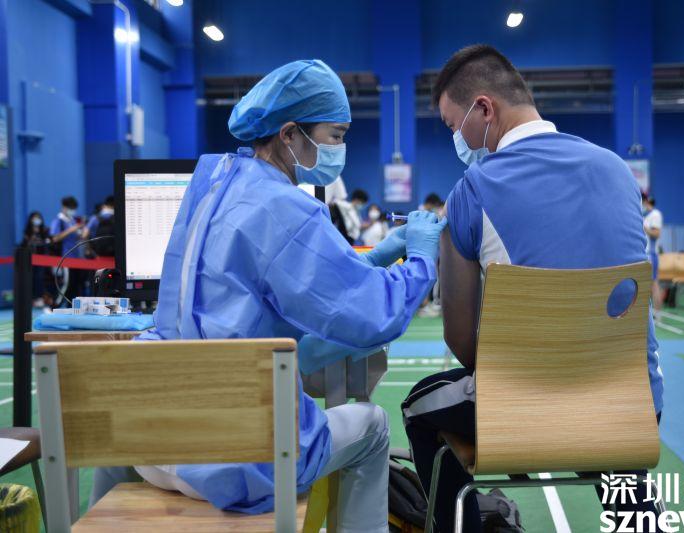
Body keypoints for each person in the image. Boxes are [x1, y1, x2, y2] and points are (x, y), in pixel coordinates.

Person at [89, 59, 447, 532]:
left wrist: (376, 257)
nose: (339, 148)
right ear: (290, 134)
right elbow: (373, 315)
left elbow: (290, 283)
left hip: (155, 446)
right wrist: (421, 258)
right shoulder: (287, 206)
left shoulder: (214, 183)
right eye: (335, 136)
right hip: (237, 463)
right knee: (373, 424)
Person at [401, 45, 664, 533]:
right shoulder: (617, 170)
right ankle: (638, 519)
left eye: (453, 125)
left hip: (525, 414)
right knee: (611, 427)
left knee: (419, 406)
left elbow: (460, 340)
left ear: (484, 109)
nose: (457, 139)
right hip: (634, 406)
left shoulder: (471, 191)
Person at [49, 196, 88, 302]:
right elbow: (55, 238)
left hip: (76, 258)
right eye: (71, 208)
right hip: (65, 257)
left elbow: (77, 237)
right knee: (66, 284)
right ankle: (54, 305)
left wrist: (83, 231)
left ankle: (71, 306)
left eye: (74, 208)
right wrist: (71, 229)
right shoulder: (58, 221)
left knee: (75, 285)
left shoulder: (72, 220)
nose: (72, 210)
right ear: (64, 207)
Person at [21, 211, 52, 308]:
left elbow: (48, 243)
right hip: (29, 260)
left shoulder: (44, 231)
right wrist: (30, 239)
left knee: (39, 278)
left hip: (41, 259)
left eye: (38, 218)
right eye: (34, 218)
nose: (36, 220)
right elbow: (24, 245)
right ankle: (30, 298)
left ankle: (39, 298)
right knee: (29, 279)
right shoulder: (27, 232)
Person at [642, 193, 664, 310]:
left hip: (651, 254)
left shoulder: (655, 215)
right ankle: (650, 312)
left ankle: (658, 313)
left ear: (646, 202)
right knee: (646, 285)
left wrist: (645, 228)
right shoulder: (645, 216)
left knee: (654, 284)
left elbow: (656, 234)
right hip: (643, 255)